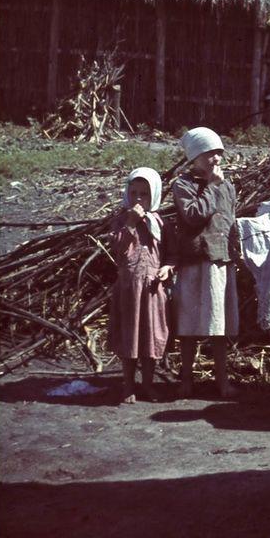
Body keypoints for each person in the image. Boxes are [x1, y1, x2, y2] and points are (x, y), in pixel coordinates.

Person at [172, 126, 240, 399]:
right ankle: (186, 379)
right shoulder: (183, 185)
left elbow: (229, 220)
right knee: (189, 324)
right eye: (209, 153)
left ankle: (222, 381)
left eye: (219, 153)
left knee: (218, 325)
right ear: (195, 156)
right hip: (195, 261)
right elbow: (193, 215)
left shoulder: (227, 185)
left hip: (219, 261)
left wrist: (235, 252)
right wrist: (211, 186)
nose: (216, 159)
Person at [109, 167, 175, 404]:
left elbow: (171, 253)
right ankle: (128, 385)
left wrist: (168, 267)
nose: (138, 199)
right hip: (129, 290)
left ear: (154, 195)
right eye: (134, 193)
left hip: (153, 291)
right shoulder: (121, 220)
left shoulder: (160, 223)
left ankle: (147, 384)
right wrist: (131, 222)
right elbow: (117, 248)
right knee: (130, 336)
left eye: (144, 194)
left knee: (151, 336)